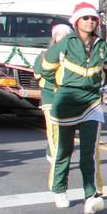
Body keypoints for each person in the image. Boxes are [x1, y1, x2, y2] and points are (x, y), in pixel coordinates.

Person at [39, 2, 107, 214]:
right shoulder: (65, 43)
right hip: (65, 101)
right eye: (86, 18)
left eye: (94, 19)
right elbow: (46, 68)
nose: (90, 21)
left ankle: (90, 194)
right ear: (76, 21)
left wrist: (97, 82)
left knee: (89, 152)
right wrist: (62, 84)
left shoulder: (102, 45)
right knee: (63, 150)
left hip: (91, 101)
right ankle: (59, 189)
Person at [33, 23, 72, 162]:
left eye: (65, 34)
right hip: (49, 93)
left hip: (66, 95)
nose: (62, 37)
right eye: (59, 34)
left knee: (63, 127)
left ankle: (51, 149)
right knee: (52, 124)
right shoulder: (45, 54)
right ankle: (55, 157)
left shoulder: (75, 55)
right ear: (54, 37)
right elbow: (38, 73)